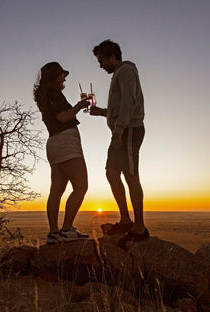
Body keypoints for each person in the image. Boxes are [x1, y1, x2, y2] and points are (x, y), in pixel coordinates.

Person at [90, 40, 149, 247]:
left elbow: (128, 103)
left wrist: (119, 131)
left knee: (131, 175)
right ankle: (125, 220)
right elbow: (119, 107)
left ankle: (139, 227)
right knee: (112, 172)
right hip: (122, 130)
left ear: (113, 55)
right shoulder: (119, 74)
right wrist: (102, 113)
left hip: (129, 131)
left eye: (102, 60)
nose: (100, 65)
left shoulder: (125, 71)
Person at [33, 62, 90, 244]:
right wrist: (79, 106)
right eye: (62, 75)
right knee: (81, 187)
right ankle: (66, 230)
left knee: (56, 190)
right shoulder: (54, 94)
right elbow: (63, 117)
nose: (64, 78)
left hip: (54, 144)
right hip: (66, 143)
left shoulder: (44, 96)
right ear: (55, 76)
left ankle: (54, 233)